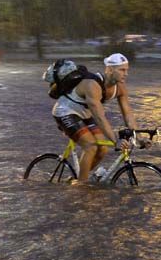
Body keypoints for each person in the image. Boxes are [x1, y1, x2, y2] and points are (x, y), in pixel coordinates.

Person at [52, 52, 148, 183]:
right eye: (122, 70)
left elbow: (128, 114)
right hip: (65, 112)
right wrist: (115, 141)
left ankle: (78, 179)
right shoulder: (92, 84)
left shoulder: (120, 88)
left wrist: (139, 138)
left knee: (102, 148)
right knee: (90, 146)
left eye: (127, 70)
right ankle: (81, 188)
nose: (126, 73)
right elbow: (100, 117)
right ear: (109, 70)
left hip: (85, 114)